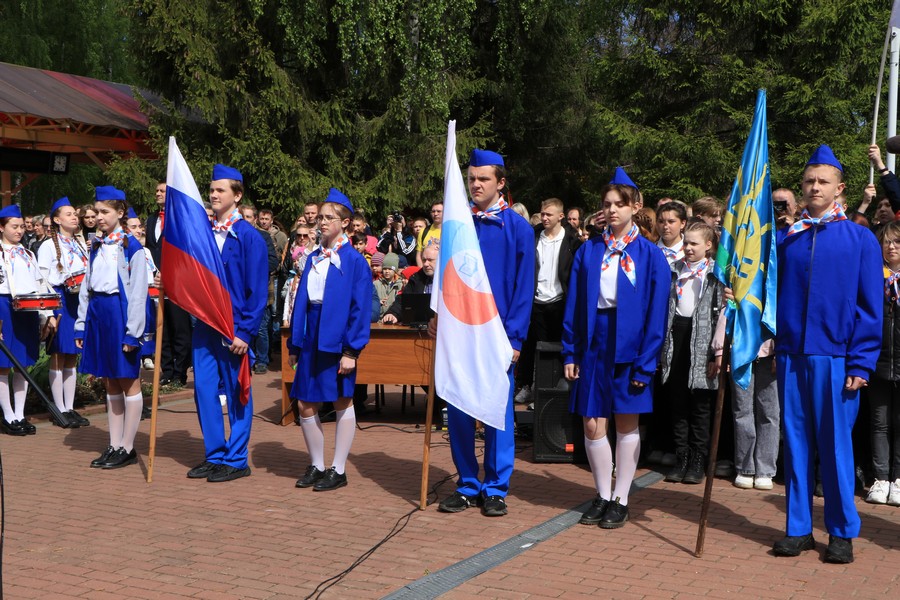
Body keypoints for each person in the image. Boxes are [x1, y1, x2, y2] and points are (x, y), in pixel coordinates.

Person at [772, 145, 882, 564]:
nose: (815, 187)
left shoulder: (859, 238)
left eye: (822, 182)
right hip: (791, 354)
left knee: (836, 446)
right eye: (809, 182)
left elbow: (870, 307)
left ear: (840, 188)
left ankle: (840, 530)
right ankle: (798, 528)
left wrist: (861, 361)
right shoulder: (787, 239)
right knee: (795, 442)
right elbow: (766, 293)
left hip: (837, 358)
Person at [562, 167, 670, 528]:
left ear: (635, 206)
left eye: (619, 204)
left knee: (626, 423)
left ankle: (621, 498)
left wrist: (645, 363)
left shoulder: (651, 255)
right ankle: (602, 493)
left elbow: (657, 315)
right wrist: (571, 351)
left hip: (631, 345)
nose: (611, 210)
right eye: (607, 204)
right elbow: (575, 304)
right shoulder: (589, 250)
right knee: (593, 423)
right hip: (594, 343)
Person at [435, 149, 535, 517]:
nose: (475, 184)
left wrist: (515, 339)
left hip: (498, 337)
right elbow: (444, 273)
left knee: (497, 412)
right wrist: (438, 315)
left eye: (483, 179)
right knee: (459, 407)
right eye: (472, 178)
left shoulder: (518, 229)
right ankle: (467, 483)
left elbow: (524, 289)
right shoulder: (458, 224)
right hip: (460, 331)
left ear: (501, 183)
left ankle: (495, 487)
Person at [186, 165, 269, 483]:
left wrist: (246, 331)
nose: (213, 194)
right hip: (205, 326)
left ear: (237, 195)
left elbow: (257, 290)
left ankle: (236, 459)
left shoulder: (249, 237)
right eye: (211, 188)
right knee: (205, 390)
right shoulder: (204, 235)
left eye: (220, 190)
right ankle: (215, 453)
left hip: (234, 327)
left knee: (238, 392)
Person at [288, 188, 372, 491]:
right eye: (319, 217)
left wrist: (351, 350)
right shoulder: (312, 258)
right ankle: (317, 464)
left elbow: (360, 308)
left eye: (328, 218)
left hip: (337, 341)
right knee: (305, 404)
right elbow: (301, 303)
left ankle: (338, 468)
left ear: (345, 223)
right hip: (311, 335)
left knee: (340, 400)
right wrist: (295, 344)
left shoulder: (355, 262)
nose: (321, 222)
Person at [75, 187, 148, 468]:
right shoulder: (96, 245)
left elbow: (139, 293)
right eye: (96, 212)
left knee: (127, 378)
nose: (99, 217)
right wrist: (81, 326)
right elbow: (87, 288)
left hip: (120, 314)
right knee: (109, 380)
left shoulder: (132, 247)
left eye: (105, 211)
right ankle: (114, 443)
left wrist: (133, 331)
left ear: (120, 213)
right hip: (99, 314)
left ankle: (128, 446)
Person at [659, 220, 724, 485]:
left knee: (700, 404)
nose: (687, 248)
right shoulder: (674, 270)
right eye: (685, 242)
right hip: (677, 337)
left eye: (694, 243)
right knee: (678, 402)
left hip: (703, 341)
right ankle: (681, 455)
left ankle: (699, 458)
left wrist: (715, 353)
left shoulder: (715, 274)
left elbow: (722, 313)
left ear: (708, 246)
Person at [515, 197, 581, 405]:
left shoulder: (572, 241)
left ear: (561, 216)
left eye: (548, 214)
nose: (544, 217)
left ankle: (551, 392)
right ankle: (527, 386)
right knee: (530, 346)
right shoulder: (534, 236)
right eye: (542, 213)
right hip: (535, 300)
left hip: (560, 301)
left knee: (555, 348)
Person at [0, 205, 55, 436]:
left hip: (27, 310)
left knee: (22, 364)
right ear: (1, 227)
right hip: (3, 307)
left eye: (22, 226)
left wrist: (48, 315)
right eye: (14, 226)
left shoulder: (27, 253)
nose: (20, 231)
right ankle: (8, 415)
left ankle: (20, 413)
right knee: (3, 365)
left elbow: (40, 284)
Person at [37, 197, 91, 427]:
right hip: (59, 300)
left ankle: (69, 407)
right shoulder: (48, 245)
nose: (74, 217)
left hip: (77, 301)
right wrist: (48, 312)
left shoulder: (78, 243)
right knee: (58, 354)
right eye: (68, 214)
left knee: (71, 355)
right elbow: (42, 279)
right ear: (57, 220)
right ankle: (59, 408)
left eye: (74, 213)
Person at [145, 180, 193, 387]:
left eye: (162, 190)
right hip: (155, 280)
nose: (158, 193)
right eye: (156, 190)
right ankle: (167, 369)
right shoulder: (151, 219)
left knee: (179, 327)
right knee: (161, 328)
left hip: (176, 281)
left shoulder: (181, 219)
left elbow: (186, 251)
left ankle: (180, 372)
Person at [866, 221, 900, 506]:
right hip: (878, 361)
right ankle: (880, 478)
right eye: (887, 242)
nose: (891, 247)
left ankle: (898, 478)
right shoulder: (874, 278)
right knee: (879, 422)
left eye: (897, 242)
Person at [382, 243, 437, 324]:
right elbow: (404, 300)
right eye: (424, 260)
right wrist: (393, 313)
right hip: (419, 328)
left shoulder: (452, 280)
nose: (425, 264)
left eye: (430, 260)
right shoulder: (416, 278)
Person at [371, 252, 402, 322]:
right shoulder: (376, 284)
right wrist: (377, 302)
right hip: (379, 320)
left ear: (395, 270)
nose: (387, 271)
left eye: (390, 269)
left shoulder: (400, 285)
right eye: (385, 269)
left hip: (393, 320)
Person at [656, 201, 687, 266]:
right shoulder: (650, 250)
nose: (665, 226)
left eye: (671, 221)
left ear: (682, 224)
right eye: (661, 221)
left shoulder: (689, 250)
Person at [416, 202, 443, 267]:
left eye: (438, 211)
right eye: (433, 211)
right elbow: (419, 255)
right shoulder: (423, 232)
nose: (435, 214)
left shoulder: (450, 232)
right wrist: (423, 271)